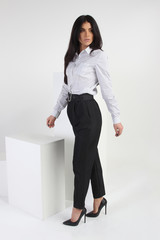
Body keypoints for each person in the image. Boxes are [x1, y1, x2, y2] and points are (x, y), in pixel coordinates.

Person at [46, 15, 124, 226]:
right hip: (74, 111)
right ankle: (99, 198)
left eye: (90, 30)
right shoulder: (71, 58)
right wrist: (55, 112)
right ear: (76, 33)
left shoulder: (98, 56)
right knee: (90, 157)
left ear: (94, 32)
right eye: (82, 30)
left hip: (89, 112)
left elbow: (107, 88)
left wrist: (116, 117)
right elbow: (66, 87)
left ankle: (78, 208)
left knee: (80, 161)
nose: (87, 34)